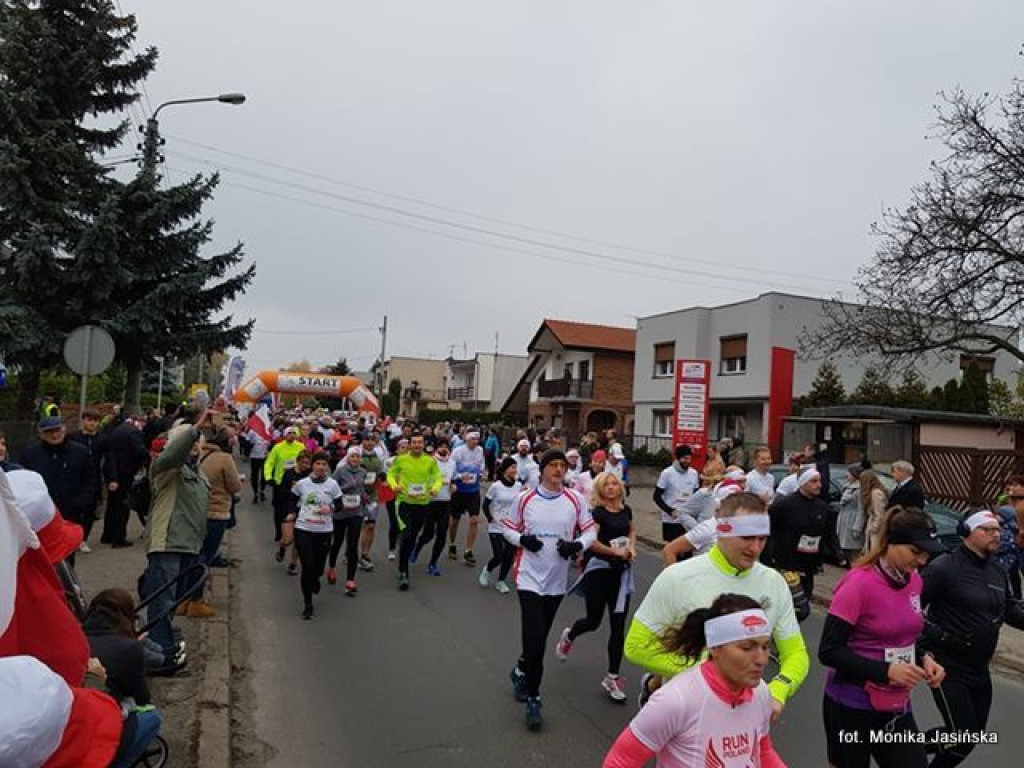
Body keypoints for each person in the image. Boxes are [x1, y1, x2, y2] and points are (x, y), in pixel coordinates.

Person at [625, 492, 809, 714]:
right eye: (747, 538)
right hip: (684, 710)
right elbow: (636, 646)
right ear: (721, 532)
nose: (755, 548)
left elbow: (796, 653)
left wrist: (779, 689)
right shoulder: (678, 577)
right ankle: (652, 686)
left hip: (742, 712)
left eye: (762, 538)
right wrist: (706, 673)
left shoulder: (774, 582)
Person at [819, 505, 946, 767]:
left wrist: (926, 658)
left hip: (894, 703)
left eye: (927, 555)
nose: (921, 561)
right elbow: (829, 651)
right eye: (915, 552)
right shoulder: (858, 585)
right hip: (850, 704)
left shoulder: (914, 581)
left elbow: (905, 631)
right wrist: (886, 670)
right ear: (890, 541)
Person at [603, 594, 785, 768]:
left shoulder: (760, 691)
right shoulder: (675, 700)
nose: (762, 659)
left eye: (765, 646)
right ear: (715, 648)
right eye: (747, 648)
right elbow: (619, 762)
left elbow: (762, 751)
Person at [919, 510, 1024, 767]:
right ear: (967, 533)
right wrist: (933, 640)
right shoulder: (944, 567)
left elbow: (1010, 609)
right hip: (947, 665)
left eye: (998, 529)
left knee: (970, 738)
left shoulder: (998, 571)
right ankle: (899, 751)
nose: (996, 534)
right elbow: (908, 611)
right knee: (961, 737)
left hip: (979, 667)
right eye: (987, 530)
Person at [504, 449, 596, 730]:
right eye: (552, 465)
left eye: (562, 466)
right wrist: (522, 539)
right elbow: (506, 528)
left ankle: (521, 669)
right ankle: (534, 698)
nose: (558, 470)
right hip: (528, 577)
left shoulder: (575, 499)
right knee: (534, 639)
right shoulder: (525, 498)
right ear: (541, 470)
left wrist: (576, 545)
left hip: (556, 581)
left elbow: (591, 531)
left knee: (540, 637)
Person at [140, 408, 212, 666]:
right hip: (167, 542)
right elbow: (175, 453)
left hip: (190, 544)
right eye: (189, 443)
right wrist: (193, 430)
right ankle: (158, 652)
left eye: (198, 444)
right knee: (162, 597)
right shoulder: (166, 467)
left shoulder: (198, 473)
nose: (194, 447)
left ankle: (159, 639)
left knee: (174, 598)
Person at [556, 471, 636, 702]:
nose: (611, 487)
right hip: (599, 570)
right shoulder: (597, 514)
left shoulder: (626, 510)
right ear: (600, 490)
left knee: (618, 626)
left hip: (620, 574)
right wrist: (614, 551)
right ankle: (570, 635)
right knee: (593, 621)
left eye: (614, 484)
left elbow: (631, 530)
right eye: (607, 485)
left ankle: (612, 677)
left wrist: (631, 547)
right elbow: (592, 543)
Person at [82, 589, 164, 760]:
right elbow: (142, 697)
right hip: (103, 720)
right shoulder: (128, 648)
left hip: (77, 716)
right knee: (152, 716)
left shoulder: (76, 637)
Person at [183, 425, 242, 617]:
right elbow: (234, 486)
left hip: (194, 511)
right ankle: (196, 600)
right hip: (216, 512)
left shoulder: (197, 455)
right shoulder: (224, 458)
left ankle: (183, 598)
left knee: (191, 555)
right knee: (205, 556)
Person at [20, 413, 97, 557]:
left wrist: (82, 502)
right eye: (49, 432)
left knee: (67, 554)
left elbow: (90, 480)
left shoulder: (80, 452)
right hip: (39, 515)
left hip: (69, 513)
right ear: (41, 434)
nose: (55, 435)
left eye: (58, 430)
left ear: (64, 430)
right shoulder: (30, 454)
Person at [765, 467, 836, 610]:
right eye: (814, 481)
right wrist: (769, 557)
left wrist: (838, 554)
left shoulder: (822, 507)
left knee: (803, 606)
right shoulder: (784, 505)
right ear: (802, 483)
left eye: (819, 481)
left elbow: (828, 534)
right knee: (797, 607)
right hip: (787, 564)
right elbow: (768, 530)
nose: (819, 485)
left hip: (809, 565)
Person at [387, 434, 443, 591]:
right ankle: (403, 571)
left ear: (424, 444)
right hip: (404, 502)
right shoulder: (401, 459)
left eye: (420, 442)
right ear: (410, 445)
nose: (417, 445)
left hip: (423, 504)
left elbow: (437, 476)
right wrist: (394, 485)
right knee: (407, 534)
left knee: (412, 537)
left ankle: (404, 557)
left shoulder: (430, 461)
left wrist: (435, 488)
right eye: (414, 442)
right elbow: (391, 474)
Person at [291, 452, 343, 619]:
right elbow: (291, 499)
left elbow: (340, 505)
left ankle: (316, 578)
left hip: (324, 530)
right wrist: (291, 513)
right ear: (312, 465)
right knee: (307, 566)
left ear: (327, 467)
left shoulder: (333, 484)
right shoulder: (302, 484)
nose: (321, 467)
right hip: (303, 528)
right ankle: (308, 604)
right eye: (317, 463)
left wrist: (331, 509)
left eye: (323, 464)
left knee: (318, 567)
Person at [103, 410, 150, 541]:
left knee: (112, 504)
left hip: (113, 471)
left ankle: (107, 535)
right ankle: (119, 537)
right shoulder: (134, 432)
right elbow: (140, 452)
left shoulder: (119, 429)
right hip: (126, 472)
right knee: (123, 505)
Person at [67, 407, 108, 551]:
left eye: (95, 421)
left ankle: (83, 539)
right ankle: (72, 538)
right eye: (89, 420)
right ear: (83, 420)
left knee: (89, 510)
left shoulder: (103, 439)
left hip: (94, 478)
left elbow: (109, 460)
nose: (92, 423)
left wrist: (112, 478)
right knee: (73, 510)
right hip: (74, 478)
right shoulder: (73, 437)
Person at [414, 439, 456, 575]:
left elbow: (452, 479)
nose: (444, 449)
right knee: (428, 534)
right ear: (436, 448)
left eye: (446, 446)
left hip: (445, 501)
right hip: (431, 501)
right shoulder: (430, 461)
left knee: (442, 534)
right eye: (441, 446)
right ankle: (417, 548)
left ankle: (433, 563)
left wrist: (452, 486)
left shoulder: (452, 463)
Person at [329, 446, 367, 595]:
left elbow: (360, 487)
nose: (355, 459)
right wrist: (346, 487)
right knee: (337, 542)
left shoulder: (362, 472)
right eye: (352, 456)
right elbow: (332, 488)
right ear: (348, 458)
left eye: (357, 457)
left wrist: (364, 496)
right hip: (340, 513)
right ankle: (331, 567)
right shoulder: (340, 471)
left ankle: (350, 580)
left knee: (352, 544)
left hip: (356, 512)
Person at [480, 456, 520, 592]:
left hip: (511, 527)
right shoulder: (496, 486)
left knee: (509, 556)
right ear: (505, 469)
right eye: (512, 467)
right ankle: (487, 569)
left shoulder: (518, 486)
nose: (515, 470)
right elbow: (485, 504)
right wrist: (490, 518)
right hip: (496, 526)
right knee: (499, 556)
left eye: (516, 467)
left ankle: (501, 581)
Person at [447, 430, 486, 565]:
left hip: (473, 490)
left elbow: (481, 465)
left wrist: (482, 473)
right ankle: (452, 544)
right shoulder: (458, 451)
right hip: (459, 490)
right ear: (467, 440)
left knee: (474, 520)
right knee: (454, 520)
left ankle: (468, 551)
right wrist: (459, 477)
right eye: (473, 439)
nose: (476, 441)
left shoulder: (480, 450)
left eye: (477, 439)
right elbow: (450, 469)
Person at [264, 426, 305, 549]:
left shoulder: (301, 447)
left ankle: (294, 531)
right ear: (284, 435)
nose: (291, 435)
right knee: (279, 509)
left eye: (294, 433)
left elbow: (305, 462)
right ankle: (279, 531)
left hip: (297, 482)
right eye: (289, 433)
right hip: (280, 482)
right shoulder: (278, 447)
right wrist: (268, 477)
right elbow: (269, 463)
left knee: (294, 507)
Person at [653, 445, 700, 543]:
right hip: (671, 519)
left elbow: (696, 495)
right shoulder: (667, 473)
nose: (687, 461)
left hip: (688, 519)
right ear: (678, 458)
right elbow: (656, 497)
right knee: (673, 550)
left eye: (689, 458)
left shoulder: (694, 473)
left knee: (688, 551)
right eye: (685, 458)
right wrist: (670, 511)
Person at [358, 433, 385, 571]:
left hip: (372, 495)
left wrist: (382, 478)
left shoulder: (378, 458)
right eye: (366, 440)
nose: (369, 443)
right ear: (362, 442)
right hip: (356, 495)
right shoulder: (355, 454)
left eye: (371, 440)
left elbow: (381, 475)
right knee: (355, 526)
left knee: (370, 526)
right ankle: (350, 551)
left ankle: (365, 554)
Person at [837, 464, 867, 564]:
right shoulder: (847, 487)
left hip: (853, 522)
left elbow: (861, 509)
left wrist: (857, 527)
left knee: (855, 552)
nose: (847, 475)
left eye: (849, 473)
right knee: (847, 551)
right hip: (845, 521)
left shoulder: (859, 489)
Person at [860, 470, 890, 552]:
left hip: (877, 528)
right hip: (874, 523)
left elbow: (879, 513)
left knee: (873, 549)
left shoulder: (875, 493)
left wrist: (874, 528)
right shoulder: (875, 492)